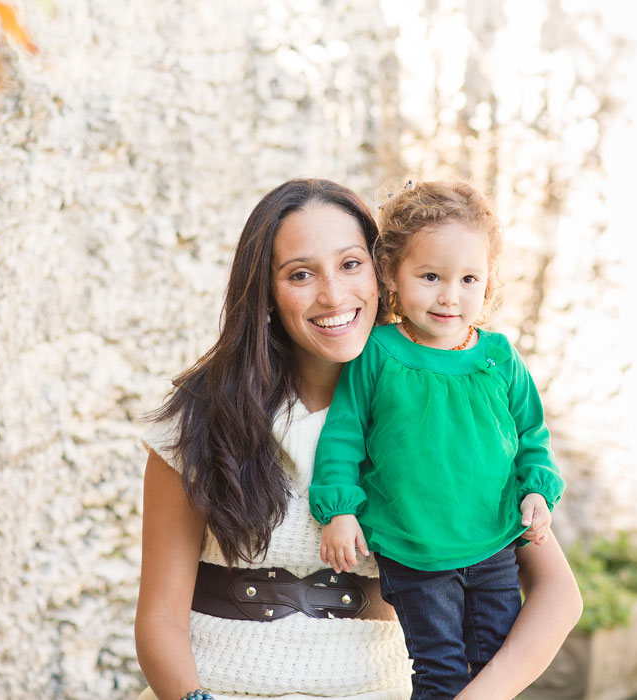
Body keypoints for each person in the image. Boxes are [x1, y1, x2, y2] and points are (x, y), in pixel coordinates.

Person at [135, 178, 582, 700]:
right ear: (266, 293)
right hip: (222, 690)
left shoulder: (452, 410)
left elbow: (558, 596)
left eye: (351, 265)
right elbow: (160, 616)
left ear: (381, 272)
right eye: (301, 274)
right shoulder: (202, 420)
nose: (333, 294)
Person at [309, 180, 564, 699]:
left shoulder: (498, 357)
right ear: (392, 276)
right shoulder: (378, 352)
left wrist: (538, 490)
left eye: (469, 278)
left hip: (493, 545)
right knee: (441, 671)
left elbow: (531, 435)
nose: (451, 295)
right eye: (430, 276)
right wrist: (338, 510)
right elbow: (343, 436)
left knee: (493, 666)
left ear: (487, 284)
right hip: (415, 550)